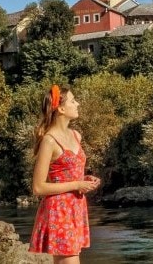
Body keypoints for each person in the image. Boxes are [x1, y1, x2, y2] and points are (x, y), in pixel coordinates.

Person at [29, 85, 100, 263]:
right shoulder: (49, 141)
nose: (78, 103)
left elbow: (70, 174)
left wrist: (84, 180)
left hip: (76, 208)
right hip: (59, 211)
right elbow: (38, 187)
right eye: (73, 100)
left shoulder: (76, 135)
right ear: (61, 108)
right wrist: (77, 185)